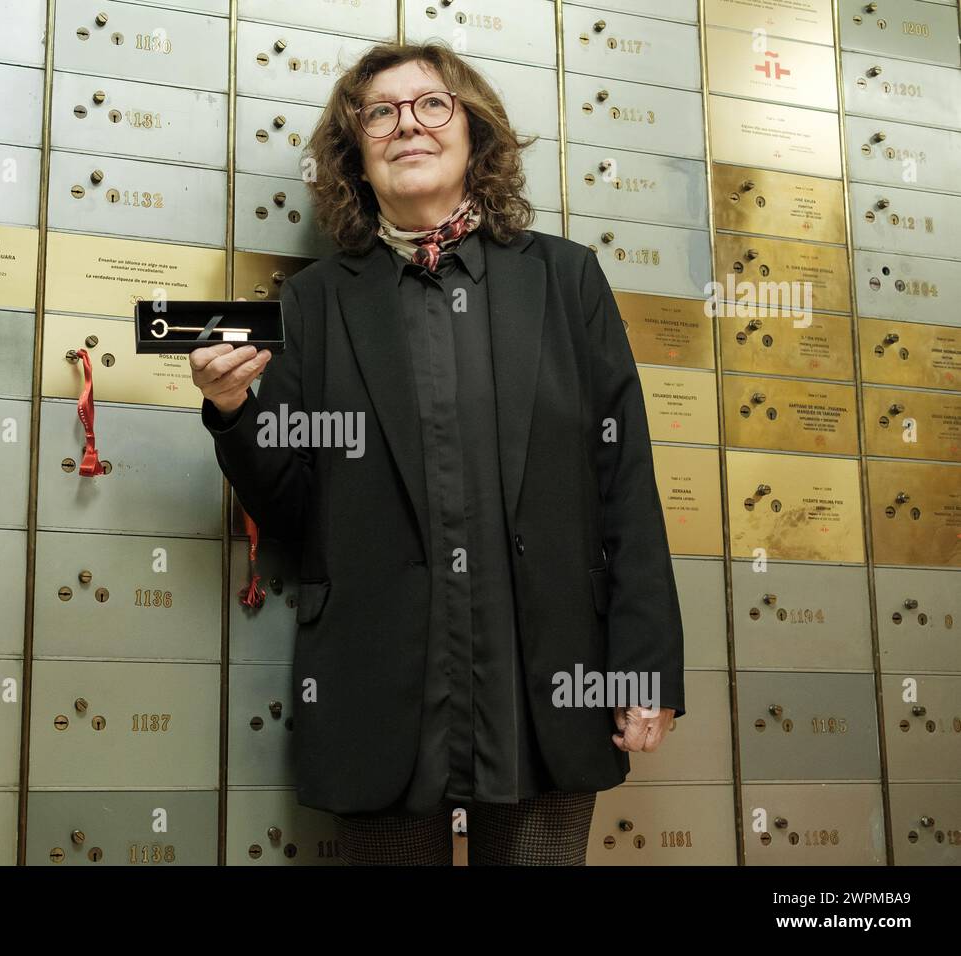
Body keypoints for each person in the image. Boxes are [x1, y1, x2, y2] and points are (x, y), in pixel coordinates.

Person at [191, 41, 685, 865]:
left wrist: (644, 668)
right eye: (378, 112)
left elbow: (625, 481)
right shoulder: (317, 302)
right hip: (381, 688)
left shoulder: (565, 281)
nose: (405, 125)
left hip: (548, 687)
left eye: (431, 105)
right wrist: (235, 410)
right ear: (356, 152)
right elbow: (291, 507)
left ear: (472, 134)